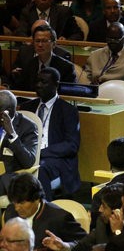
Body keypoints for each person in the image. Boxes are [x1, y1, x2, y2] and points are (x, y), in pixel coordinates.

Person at [18, 68, 81, 196]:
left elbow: (72, 144)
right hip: (27, 154)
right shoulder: (27, 107)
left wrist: (40, 153)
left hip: (53, 158)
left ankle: (43, 209)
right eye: (37, 81)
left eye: (43, 82)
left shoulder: (68, 111)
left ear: (56, 85)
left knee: (41, 168)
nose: (38, 85)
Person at [0, 174, 85, 248]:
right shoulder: (10, 212)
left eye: (21, 203)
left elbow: (85, 244)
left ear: (36, 199)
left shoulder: (60, 218)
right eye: (15, 202)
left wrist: (65, 246)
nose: (17, 208)